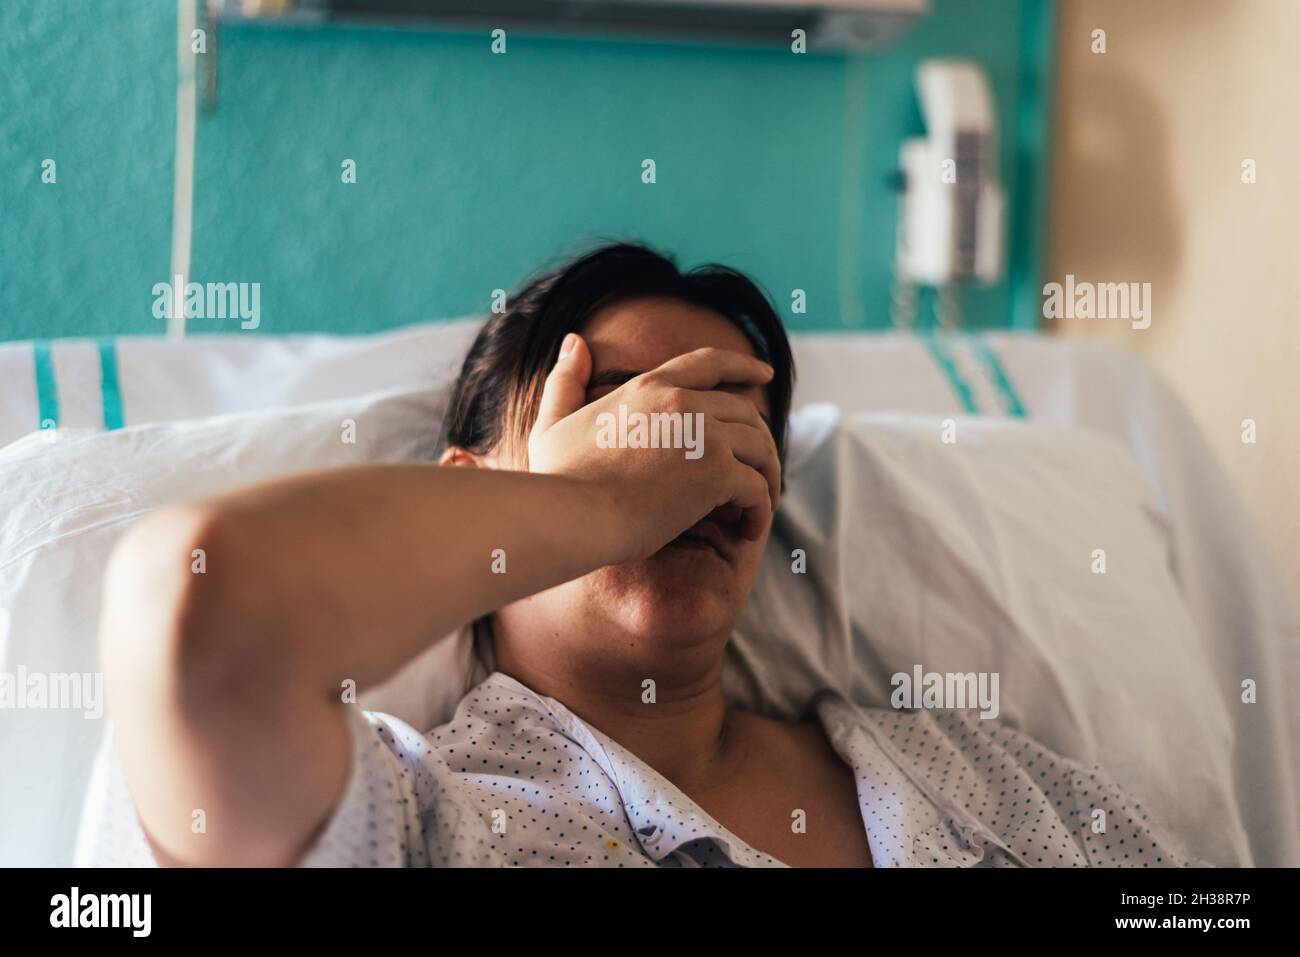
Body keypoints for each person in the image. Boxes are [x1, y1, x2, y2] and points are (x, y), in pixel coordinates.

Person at [79, 242, 1199, 868]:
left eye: (727, 417)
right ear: (475, 497)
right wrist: (592, 505)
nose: (689, 454)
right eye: (617, 410)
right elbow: (199, 616)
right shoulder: (433, 821)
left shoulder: (985, 786)